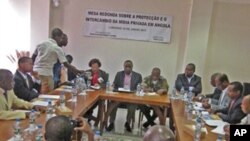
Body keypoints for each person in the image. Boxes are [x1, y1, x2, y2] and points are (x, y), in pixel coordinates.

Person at [32, 28, 82, 93]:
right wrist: (77, 71)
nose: (61, 40)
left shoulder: (40, 43)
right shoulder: (56, 48)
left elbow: (32, 58)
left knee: (37, 95)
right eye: (61, 38)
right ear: (57, 36)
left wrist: (31, 71)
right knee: (47, 96)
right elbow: (66, 64)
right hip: (46, 74)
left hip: (35, 73)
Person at [106, 60, 142, 132]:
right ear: (124, 67)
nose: (128, 68)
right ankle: (111, 122)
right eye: (126, 66)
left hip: (131, 97)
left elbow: (139, 87)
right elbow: (114, 84)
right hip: (119, 96)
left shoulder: (138, 76)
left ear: (132, 67)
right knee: (112, 104)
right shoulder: (119, 74)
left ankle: (128, 123)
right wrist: (112, 87)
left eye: (129, 67)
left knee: (132, 107)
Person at [84, 58, 108, 124]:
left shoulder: (103, 74)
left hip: (98, 94)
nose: (94, 69)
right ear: (90, 66)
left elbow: (106, 85)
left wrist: (100, 86)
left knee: (94, 102)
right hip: (88, 93)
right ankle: (87, 115)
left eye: (96, 67)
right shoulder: (87, 72)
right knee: (84, 102)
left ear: (99, 67)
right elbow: (83, 83)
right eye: (93, 67)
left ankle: (90, 115)